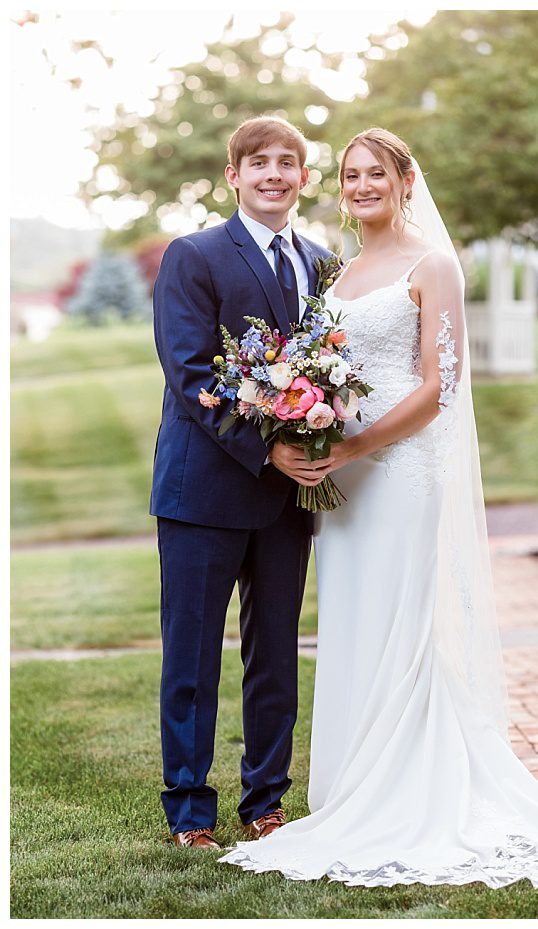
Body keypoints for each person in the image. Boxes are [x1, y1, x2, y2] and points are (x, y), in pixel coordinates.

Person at [216, 128, 538, 887]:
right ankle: (351, 790)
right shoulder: (337, 276)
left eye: (377, 173)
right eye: (351, 175)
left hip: (399, 469)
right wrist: (307, 420)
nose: (362, 185)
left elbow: (440, 388)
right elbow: (322, 366)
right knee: (353, 619)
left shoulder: (433, 266)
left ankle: (406, 791)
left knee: (401, 620)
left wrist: (356, 446)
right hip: (341, 478)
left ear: (406, 181)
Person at [151, 115, 336, 850]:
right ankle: (190, 810)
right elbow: (192, 374)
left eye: (287, 163)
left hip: (289, 502)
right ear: (234, 176)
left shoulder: (321, 265)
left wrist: (317, 443)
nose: (274, 175)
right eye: (259, 163)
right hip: (205, 491)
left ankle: (266, 800)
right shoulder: (194, 256)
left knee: (276, 654)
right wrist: (269, 453)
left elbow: (331, 367)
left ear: (301, 178)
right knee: (192, 655)